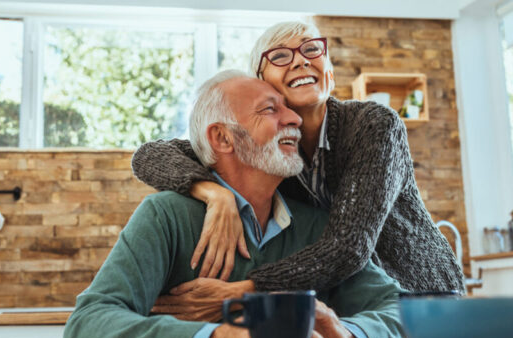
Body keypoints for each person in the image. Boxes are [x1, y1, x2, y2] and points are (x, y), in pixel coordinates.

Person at [63, 70, 409, 338]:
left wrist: (347, 335)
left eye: (288, 109)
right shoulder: (165, 216)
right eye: (270, 110)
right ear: (222, 137)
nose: (295, 119)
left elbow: (404, 313)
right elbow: (88, 325)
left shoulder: (317, 227)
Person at [131, 21, 465, 303]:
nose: (301, 61)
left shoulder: (374, 125)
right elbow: (150, 155)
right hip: (352, 303)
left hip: (423, 296)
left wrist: (246, 290)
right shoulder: (268, 150)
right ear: (261, 83)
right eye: (279, 56)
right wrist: (213, 193)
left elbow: (347, 246)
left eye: (311, 50)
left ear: (330, 74)